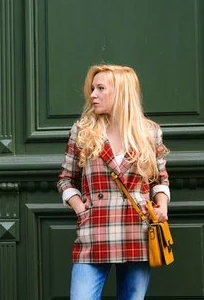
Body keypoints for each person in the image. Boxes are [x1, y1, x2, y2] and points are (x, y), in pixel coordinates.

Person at [57, 65, 170, 300]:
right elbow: (66, 180)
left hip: (137, 232)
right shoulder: (83, 131)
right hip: (94, 231)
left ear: (120, 92)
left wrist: (162, 205)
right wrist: (80, 208)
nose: (92, 95)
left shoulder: (149, 133)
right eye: (92, 89)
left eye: (100, 88)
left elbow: (159, 179)